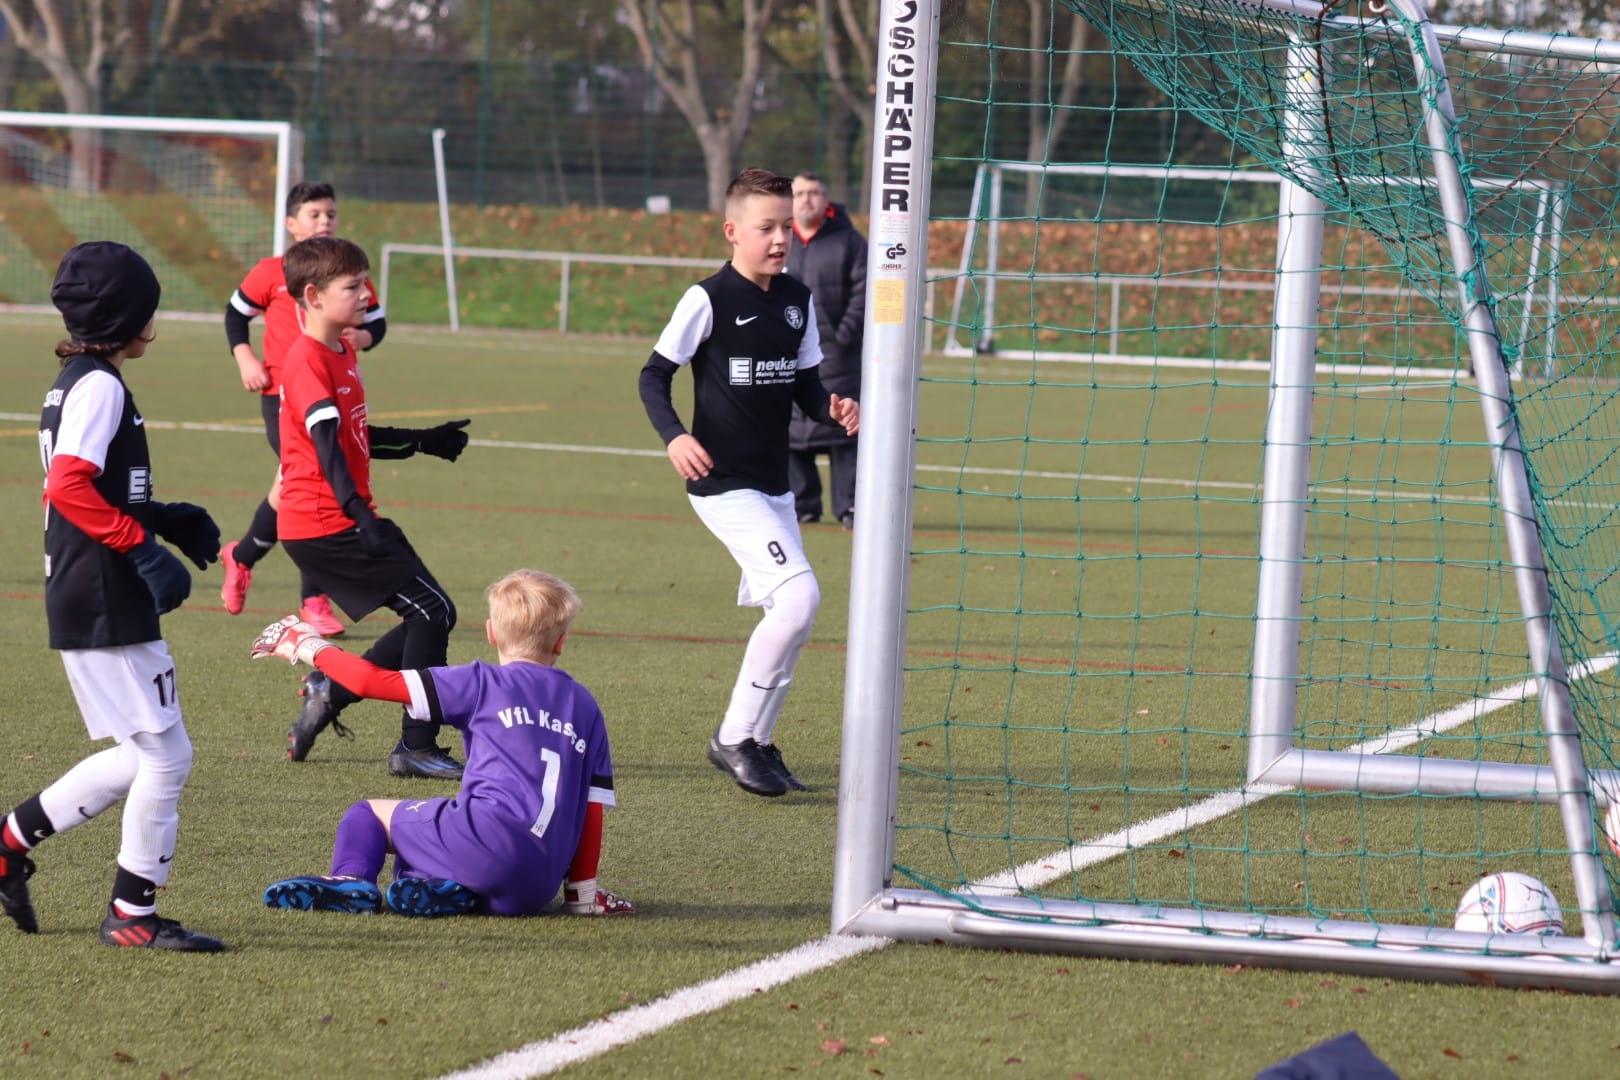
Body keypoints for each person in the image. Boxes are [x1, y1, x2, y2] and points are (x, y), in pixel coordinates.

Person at [0, 242, 226, 951]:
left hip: (88, 585)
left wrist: (163, 517)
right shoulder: (98, 386)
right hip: (102, 590)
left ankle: (8, 843)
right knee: (167, 757)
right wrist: (143, 548)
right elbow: (68, 485)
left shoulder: (78, 380)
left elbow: (95, 486)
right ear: (129, 317)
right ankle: (131, 912)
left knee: (141, 753)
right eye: (149, 306)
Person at [638, 167, 859, 798]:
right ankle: (733, 737)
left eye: (786, 226)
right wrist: (675, 437)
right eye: (766, 228)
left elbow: (806, 385)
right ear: (733, 231)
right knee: (799, 599)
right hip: (722, 483)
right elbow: (653, 376)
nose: (780, 238)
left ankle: (758, 741)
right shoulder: (707, 299)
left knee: (792, 617)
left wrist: (833, 408)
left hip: (774, 485)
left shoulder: (797, 300)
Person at [253, 570, 634, 919]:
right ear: (562, 642)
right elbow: (592, 809)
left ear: (491, 633)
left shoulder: (482, 682)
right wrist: (582, 894)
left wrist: (308, 645)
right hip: (536, 885)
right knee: (428, 852)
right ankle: (443, 889)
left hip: (482, 839)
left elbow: (370, 682)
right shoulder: (585, 705)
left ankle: (350, 880)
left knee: (367, 814)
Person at [273, 235, 472, 779]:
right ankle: (415, 745)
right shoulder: (307, 361)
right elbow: (326, 447)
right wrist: (359, 514)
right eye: (353, 286)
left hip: (336, 516)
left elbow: (355, 437)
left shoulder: (343, 350)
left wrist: (423, 441)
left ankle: (332, 688)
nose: (366, 295)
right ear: (313, 296)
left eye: (365, 283)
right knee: (430, 610)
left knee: (430, 612)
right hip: (324, 522)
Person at [220, 181, 387, 637]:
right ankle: (315, 600)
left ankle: (242, 556)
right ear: (291, 224)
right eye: (314, 214)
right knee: (315, 484)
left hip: (333, 395)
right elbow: (235, 315)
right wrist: (245, 358)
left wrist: (364, 337)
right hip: (282, 397)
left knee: (296, 485)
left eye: (330, 214)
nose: (324, 221)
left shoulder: (349, 274)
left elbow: (377, 324)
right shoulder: (270, 272)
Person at [786, 172, 867, 529]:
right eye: (800, 193)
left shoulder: (849, 241)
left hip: (838, 355)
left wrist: (843, 335)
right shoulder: (780, 239)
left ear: (826, 199)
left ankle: (849, 506)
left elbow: (866, 290)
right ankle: (802, 504)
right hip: (788, 352)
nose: (807, 199)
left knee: (844, 427)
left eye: (814, 193)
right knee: (787, 426)